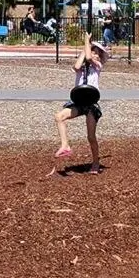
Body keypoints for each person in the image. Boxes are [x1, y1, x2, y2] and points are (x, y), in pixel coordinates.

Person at [52, 32, 107, 175]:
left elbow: (89, 57)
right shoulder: (81, 69)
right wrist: (85, 46)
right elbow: (77, 65)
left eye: (96, 53)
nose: (93, 55)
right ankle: (65, 145)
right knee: (59, 116)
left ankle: (95, 162)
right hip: (78, 100)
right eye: (92, 51)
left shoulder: (97, 66)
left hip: (91, 103)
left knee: (91, 136)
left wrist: (87, 44)